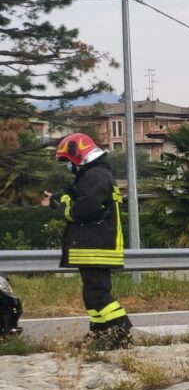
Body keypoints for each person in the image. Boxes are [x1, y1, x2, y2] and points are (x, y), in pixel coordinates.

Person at [45, 133, 131, 346]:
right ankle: (100, 333)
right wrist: (57, 199)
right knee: (91, 294)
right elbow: (80, 198)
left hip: (96, 246)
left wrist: (66, 210)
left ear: (79, 155)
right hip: (95, 245)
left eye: (69, 161)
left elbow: (84, 210)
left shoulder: (95, 176)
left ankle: (121, 331)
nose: (69, 166)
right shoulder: (95, 175)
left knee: (97, 294)